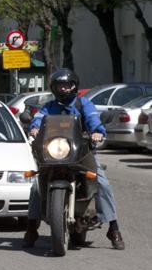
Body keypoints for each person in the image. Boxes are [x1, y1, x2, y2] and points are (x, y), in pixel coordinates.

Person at [23, 68, 125, 250]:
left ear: (73, 86)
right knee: (36, 185)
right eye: (59, 86)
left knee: (102, 183)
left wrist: (96, 133)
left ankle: (113, 227)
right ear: (54, 88)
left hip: (82, 153)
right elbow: (37, 119)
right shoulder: (48, 106)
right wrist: (34, 128)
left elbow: (94, 120)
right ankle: (31, 228)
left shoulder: (82, 104)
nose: (63, 89)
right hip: (55, 153)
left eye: (66, 85)